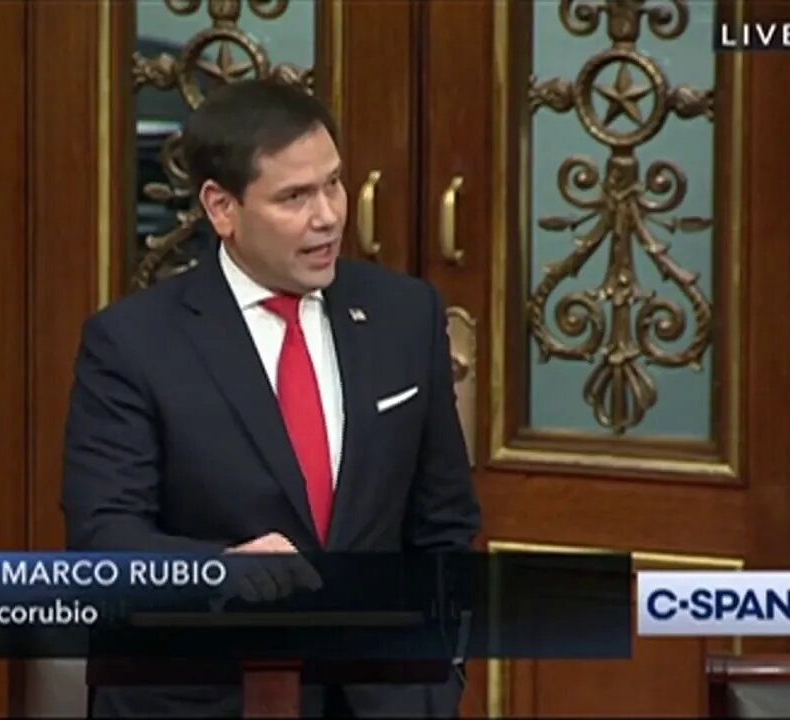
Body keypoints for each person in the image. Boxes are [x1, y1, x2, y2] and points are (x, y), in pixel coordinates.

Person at [62, 78, 481, 717]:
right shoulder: (133, 344)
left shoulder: (406, 314)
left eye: (333, 184)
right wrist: (219, 570)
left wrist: (443, 663)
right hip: (206, 698)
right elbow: (103, 537)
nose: (329, 215)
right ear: (222, 208)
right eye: (294, 196)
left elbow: (443, 519)